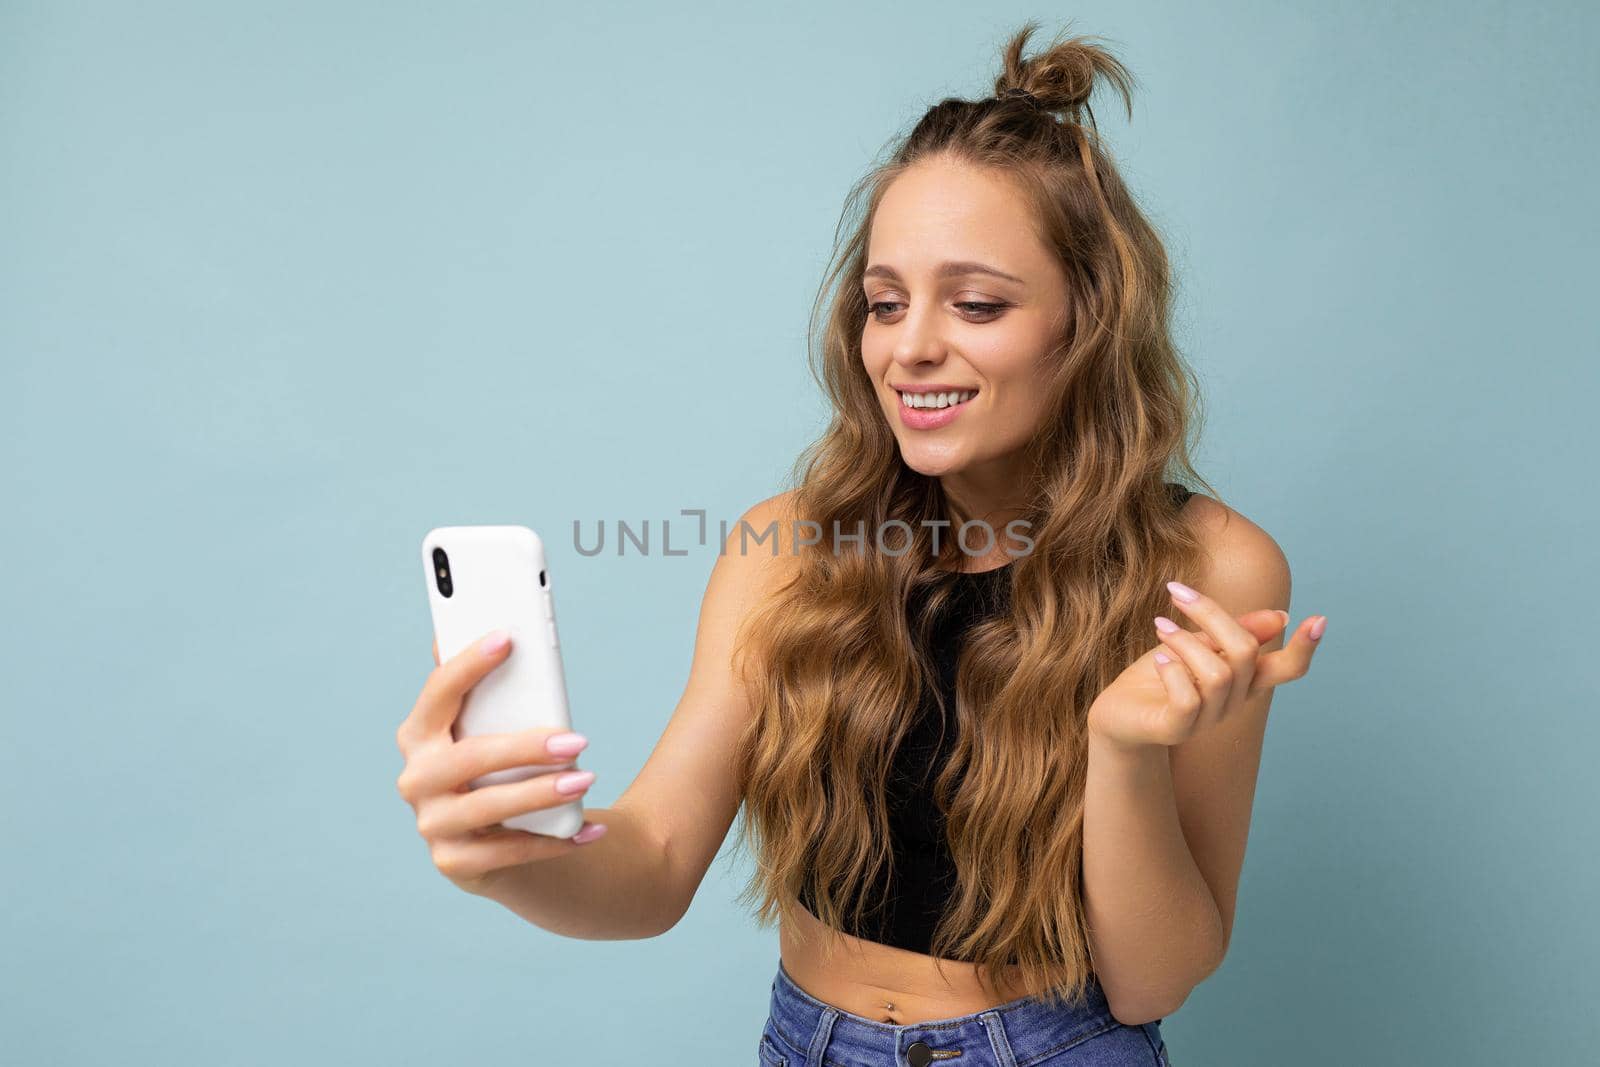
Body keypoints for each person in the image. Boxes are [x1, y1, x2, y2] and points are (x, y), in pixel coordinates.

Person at [394, 20, 1325, 1066]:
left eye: (975, 302)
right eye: (884, 303)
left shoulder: (1210, 568)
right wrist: (507, 855)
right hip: (807, 1041)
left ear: (1089, 320)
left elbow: (1151, 977)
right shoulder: (784, 547)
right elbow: (651, 866)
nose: (910, 345)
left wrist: (1124, 752)